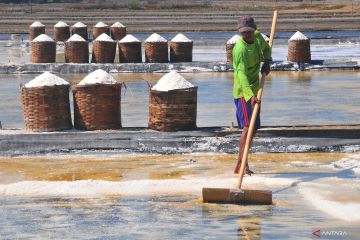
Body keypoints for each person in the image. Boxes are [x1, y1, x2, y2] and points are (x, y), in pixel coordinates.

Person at [232, 16, 272, 175]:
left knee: (253, 128)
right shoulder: (239, 50)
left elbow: (266, 48)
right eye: (244, 33)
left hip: (256, 88)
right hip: (243, 92)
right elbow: (240, 75)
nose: (247, 35)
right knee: (247, 128)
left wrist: (267, 61)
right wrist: (250, 96)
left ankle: (241, 162)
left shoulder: (257, 37)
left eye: (249, 31)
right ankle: (242, 164)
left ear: (253, 30)